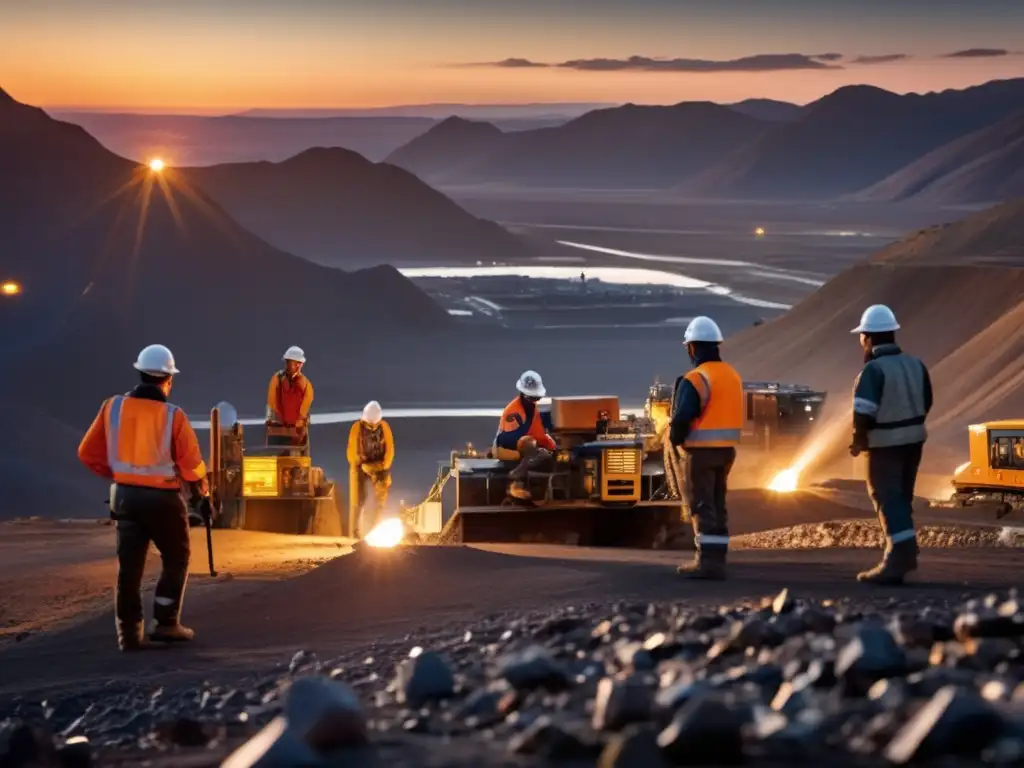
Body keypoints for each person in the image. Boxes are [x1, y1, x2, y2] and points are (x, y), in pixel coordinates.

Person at [77, 344, 211, 651]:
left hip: (124, 498)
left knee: (130, 567)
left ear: (139, 373)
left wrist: (119, 476)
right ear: (168, 379)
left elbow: (87, 453)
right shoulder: (174, 416)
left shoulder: (113, 407)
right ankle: (165, 624)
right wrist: (202, 493)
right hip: (163, 500)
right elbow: (191, 465)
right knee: (176, 559)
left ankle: (129, 635)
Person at [850, 304, 932, 585]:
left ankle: (898, 558)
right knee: (902, 496)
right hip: (915, 440)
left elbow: (864, 411)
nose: (861, 342)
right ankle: (906, 548)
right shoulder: (915, 364)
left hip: (885, 444)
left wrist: (859, 440)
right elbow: (927, 400)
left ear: (870, 338)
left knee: (887, 497)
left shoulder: (873, 370)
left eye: (862, 337)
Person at [666, 316, 743, 579]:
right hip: (726, 452)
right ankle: (718, 559)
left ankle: (706, 563)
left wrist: (674, 439)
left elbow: (682, 418)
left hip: (700, 453)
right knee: (717, 504)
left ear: (693, 347)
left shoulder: (696, 379)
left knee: (701, 505)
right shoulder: (732, 375)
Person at [493, 370, 556, 500]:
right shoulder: (514, 412)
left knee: (547, 452)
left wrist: (552, 446)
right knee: (530, 445)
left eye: (536, 397)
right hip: (505, 445)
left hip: (524, 441)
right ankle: (516, 482)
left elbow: (537, 431)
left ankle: (544, 487)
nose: (535, 400)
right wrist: (535, 444)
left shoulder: (531, 408)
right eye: (533, 397)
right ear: (524, 394)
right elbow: (506, 439)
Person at [347, 401, 395, 537]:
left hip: (379, 466)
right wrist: (363, 466)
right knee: (357, 500)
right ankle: (354, 532)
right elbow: (352, 453)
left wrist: (378, 467)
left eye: (375, 425)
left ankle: (375, 529)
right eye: (370, 425)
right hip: (360, 466)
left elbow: (389, 452)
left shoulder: (384, 427)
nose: (373, 427)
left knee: (380, 499)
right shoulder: (356, 428)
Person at [266, 346, 314, 446]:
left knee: (297, 460)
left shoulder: (306, 384)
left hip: (296, 433)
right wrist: (271, 420)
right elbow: (272, 402)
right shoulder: (277, 379)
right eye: (290, 362)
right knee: (275, 458)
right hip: (278, 430)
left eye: (298, 363)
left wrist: (299, 427)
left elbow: (304, 409)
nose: (297, 366)